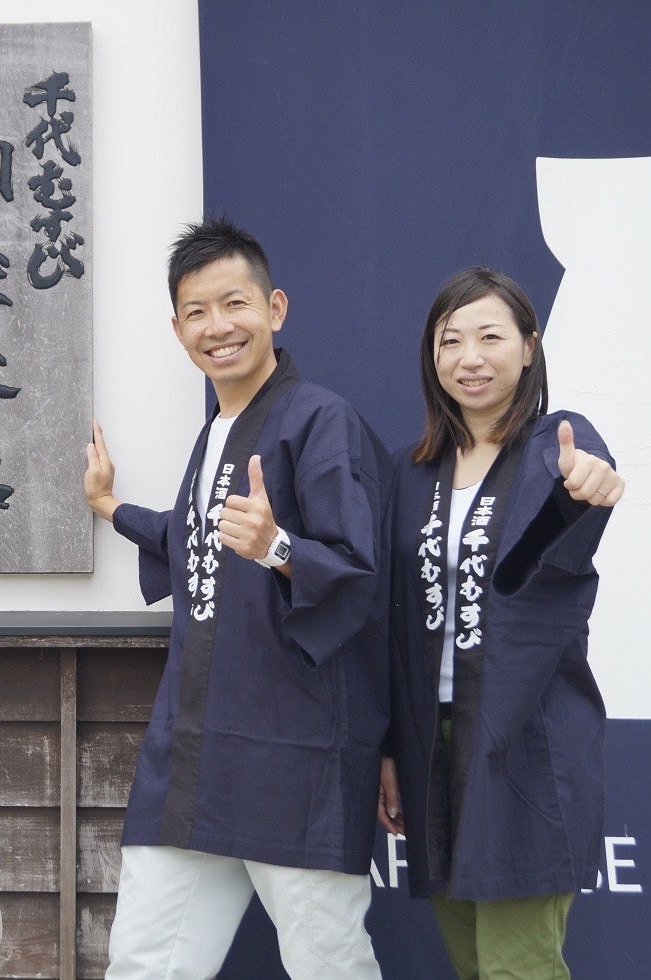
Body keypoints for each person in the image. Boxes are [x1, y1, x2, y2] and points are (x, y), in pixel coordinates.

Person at [84, 216, 389, 978]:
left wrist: (279, 548)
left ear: (275, 309)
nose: (217, 327)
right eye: (196, 312)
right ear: (178, 328)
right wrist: (111, 508)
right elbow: (198, 541)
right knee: (144, 962)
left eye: (234, 304)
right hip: (194, 754)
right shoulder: (216, 430)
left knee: (329, 964)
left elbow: (357, 572)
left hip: (296, 756)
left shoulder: (322, 421)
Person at [377, 266, 623, 978]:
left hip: (526, 739)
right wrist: (393, 748)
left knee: (520, 967)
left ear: (528, 346)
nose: (469, 357)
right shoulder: (410, 472)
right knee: (473, 966)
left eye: (490, 337)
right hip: (433, 747)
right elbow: (389, 623)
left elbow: (581, 489)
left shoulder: (555, 446)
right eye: (450, 341)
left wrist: (593, 484)